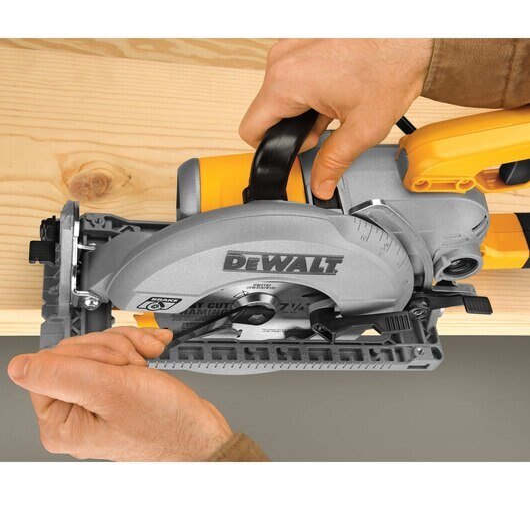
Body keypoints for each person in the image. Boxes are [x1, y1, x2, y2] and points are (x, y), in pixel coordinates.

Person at [7, 38, 529, 462]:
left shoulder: (453, 224)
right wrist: (420, 53)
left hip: (397, 238)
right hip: (379, 241)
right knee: (433, 156)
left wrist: (193, 455)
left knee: (438, 166)